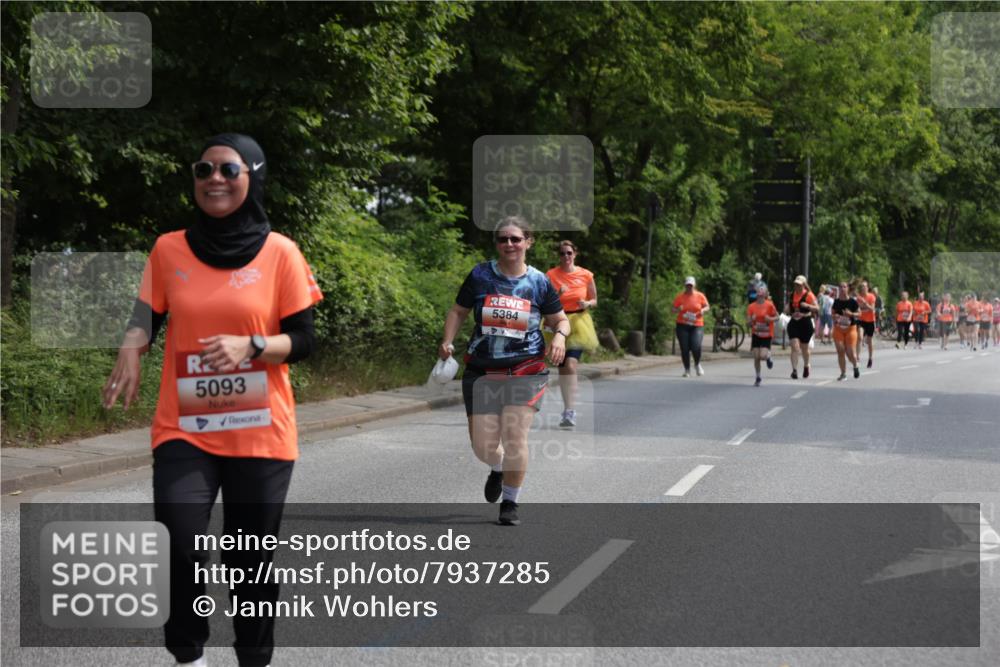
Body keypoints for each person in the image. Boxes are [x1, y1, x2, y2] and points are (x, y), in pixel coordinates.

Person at [103, 134, 323, 667]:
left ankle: (253, 657)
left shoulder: (281, 253)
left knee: (249, 559)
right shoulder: (169, 248)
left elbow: (306, 340)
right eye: (203, 170)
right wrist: (131, 352)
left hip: (260, 432)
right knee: (178, 545)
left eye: (227, 169)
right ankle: (189, 654)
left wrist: (252, 345)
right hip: (184, 427)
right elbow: (145, 318)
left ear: (253, 176)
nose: (214, 179)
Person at [440, 216, 568, 526]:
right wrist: (446, 341)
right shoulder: (481, 275)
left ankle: (510, 503)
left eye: (515, 239)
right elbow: (459, 311)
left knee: (515, 437)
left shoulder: (539, 282)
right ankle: (497, 468)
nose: (509, 244)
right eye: (502, 239)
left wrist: (560, 337)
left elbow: (560, 319)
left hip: (527, 368)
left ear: (528, 242)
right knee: (483, 447)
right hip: (482, 369)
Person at [546, 240, 598, 429]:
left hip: (578, 322)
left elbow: (594, 300)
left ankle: (571, 411)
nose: (566, 257)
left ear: (575, 254)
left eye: (569, 253)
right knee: (562, 369)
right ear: (558, 256)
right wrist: (557, 293)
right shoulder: (551, 275)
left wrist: (587, 304)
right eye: (562, 253)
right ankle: (567, 408)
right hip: (557, 322)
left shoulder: (585, 275)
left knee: (571, 364)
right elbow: (544, 300)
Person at [673, 276, 710, 377]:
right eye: (687, 285)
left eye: (691, 286)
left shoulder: (700, 296)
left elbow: (707, 306)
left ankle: (697, 364)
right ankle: (687, 369)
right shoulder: (680, 297)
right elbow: (673, 310)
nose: (689, 287)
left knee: (696, 346)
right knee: (684, 348)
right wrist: (678, 309)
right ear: (685, 285)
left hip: (697, 325)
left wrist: (703, 310)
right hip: (682, 325)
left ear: (694, 286)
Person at [785, 275, 818, 379]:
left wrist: (807, 306)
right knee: (794, 347)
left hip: (805, 323)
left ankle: (806, 365)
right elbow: (787, 308)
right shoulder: (792, 295)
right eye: (796, 284)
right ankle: (794, 370)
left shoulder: (809, 295)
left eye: (799, 285)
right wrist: (787, 309)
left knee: (805, 349)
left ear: (804, 285)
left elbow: (817, 308)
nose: (797, 286)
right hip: (794, 323)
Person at [747, 284, 779, 386]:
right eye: (758, 294)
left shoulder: (769, 305)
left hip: (766, 334)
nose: (760, 296)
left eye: (761, 295)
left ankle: (768, 356)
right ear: (756, 295)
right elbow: (747, 323)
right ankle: (758, 377)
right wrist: (751, 320)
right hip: (756, 334)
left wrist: (770, 319)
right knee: (756, 357)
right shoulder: (751, 306)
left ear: (765, 295)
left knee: (762, 356)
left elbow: (777, 317)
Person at [831, 281, 861, 380]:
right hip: (838, 329)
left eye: (844, 287)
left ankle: (855, 364)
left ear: (847, 288)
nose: (842, 289)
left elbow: (859, 314)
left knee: (850, 353)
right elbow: (832, 314)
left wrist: (851, 314)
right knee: (840, 351)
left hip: (850, 329)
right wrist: (834, 316)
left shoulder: (852, 302)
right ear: (839, 289)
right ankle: (843, 374)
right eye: (841, 287)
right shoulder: (836, 302)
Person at [856, 281, 877, 368]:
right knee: (859, 337)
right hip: (861, 320)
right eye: (862, 287)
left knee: (869, 340)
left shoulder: (871, 296)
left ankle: (870, 358)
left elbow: (872, 309)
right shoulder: (859, 298)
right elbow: (857, 309)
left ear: (868, 288)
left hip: (870, 320)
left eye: (865, 287)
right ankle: (857, 358)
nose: (863, 288)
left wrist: (865, 303)